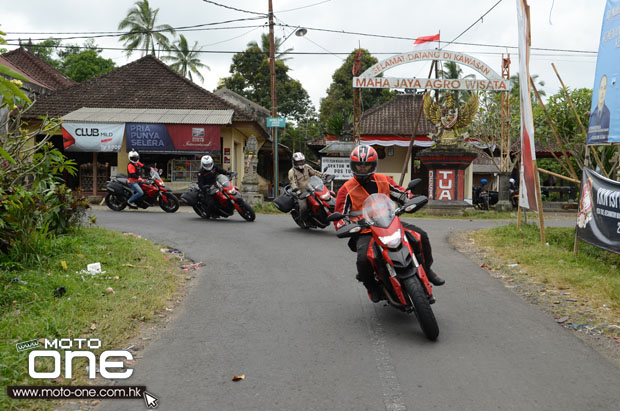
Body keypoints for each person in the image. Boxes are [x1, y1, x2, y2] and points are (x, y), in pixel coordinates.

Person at [334, 145, 444, 303]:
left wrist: (410, 200)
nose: (363, 168)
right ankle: (371, 286)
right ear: (353, 165)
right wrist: (346, 226)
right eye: (359, 165)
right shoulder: (346, 189)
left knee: (421, 236)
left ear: (373, 165)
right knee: (363, 259)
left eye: (366, 165)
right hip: (366, 231)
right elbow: (340, 217)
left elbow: (401, 194)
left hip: (390, 223)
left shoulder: (384, 179)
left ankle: (427, 270)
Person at [288, 152, 326, 222]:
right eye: (298, 162)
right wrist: (298, 192)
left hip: (311, 189)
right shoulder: (292, 171)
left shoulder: (307, 167)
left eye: (302, 161)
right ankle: (303, 220)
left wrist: (324, 176)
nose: (301, 163)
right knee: (303, 207)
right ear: (294, 162)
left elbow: (315, 173)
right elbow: (293, 183)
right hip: (302, 193)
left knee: (323, 200)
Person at [587, 74, 611, 142]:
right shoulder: (594, 111)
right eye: (601, 88)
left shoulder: (608, 113)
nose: (602, 93)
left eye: (604, 88)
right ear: (598, 90)